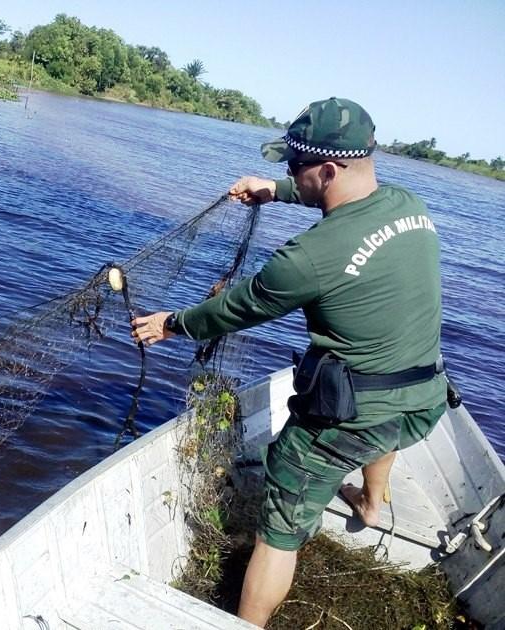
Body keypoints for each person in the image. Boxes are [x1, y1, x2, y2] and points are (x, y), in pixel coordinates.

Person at [131, 97, 448, 628]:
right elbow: (349, 209)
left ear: (326, 169)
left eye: (292, 167)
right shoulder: (406, 203)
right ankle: (371, 506)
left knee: (277, 533)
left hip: (348, 422)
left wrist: (171, 323)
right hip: (425, 399)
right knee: (385, 425)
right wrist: (275, 191)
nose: (286, 172)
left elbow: (237, 308)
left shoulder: (305, 259)